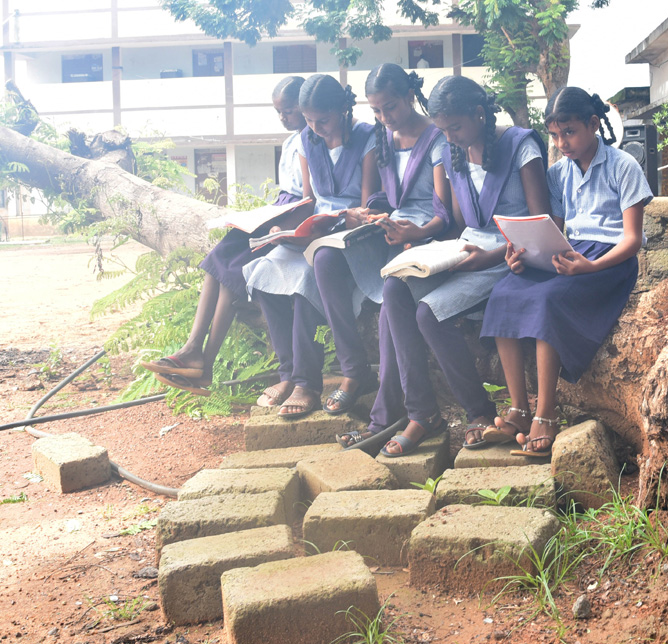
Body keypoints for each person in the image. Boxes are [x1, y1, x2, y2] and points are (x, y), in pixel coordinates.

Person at [376, 75, 550, 456]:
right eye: (442, 129)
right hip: (467, 251)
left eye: (455, 127)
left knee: (428, 315)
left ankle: (479, 412)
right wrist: (423, 242)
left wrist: (487, 257)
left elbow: (542, 224)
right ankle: (421, 412)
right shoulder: (450, 152)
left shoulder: (521, 146)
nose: (449, 137)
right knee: (394, 288)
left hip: (512, 255)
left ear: (479, 114)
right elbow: (458, 224)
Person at [482, 87, 652, 457]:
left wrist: (591, 265)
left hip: (610, 262)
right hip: (571, 254)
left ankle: (546, 412)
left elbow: (632, 239)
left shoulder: (624, 166)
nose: (561, 143)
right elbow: (554, 229)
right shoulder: (557, 173)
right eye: (555, 136)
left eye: (569, 132)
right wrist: (524, 257)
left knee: (550, 299)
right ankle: (518, 409)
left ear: (593, 124)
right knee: (505, 292)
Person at [140, 76, 309, 392]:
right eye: (279, 113)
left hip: (293, 218)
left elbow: (309, 197)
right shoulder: (289, 143)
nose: (284, 117)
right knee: (218, 258)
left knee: (231, 270)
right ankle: (194, 351)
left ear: (305, 105)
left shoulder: (311, 140)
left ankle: (200, 361)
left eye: (289, 110)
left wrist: (279, 222)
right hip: (278, 209)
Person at [312, 64, 449, 438]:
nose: (384, 117)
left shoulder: (438, 139)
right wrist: (372, 212)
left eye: (390, 107)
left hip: (426, 236)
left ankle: (386, 416)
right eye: (375, 111)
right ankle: (354, 369)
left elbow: (446, 211)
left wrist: (416, 231)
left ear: (409, 97)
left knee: (393, 300)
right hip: (390, 229)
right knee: (325, 259)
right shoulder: (383, 138)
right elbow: (381, 195)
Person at [243, 74, 380, 418]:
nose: (316, 128)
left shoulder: (367, 138)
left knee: (307, 280)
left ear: (344, 111)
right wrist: (285, 226)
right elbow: (308, 199)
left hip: (352, 233)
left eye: (324, 120)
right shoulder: (307, 140)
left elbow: (368, 205)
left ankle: (309, 381)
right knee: (265, 270)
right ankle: (289, 371)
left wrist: (344, 218)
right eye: (308, 120)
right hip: (319, 228)